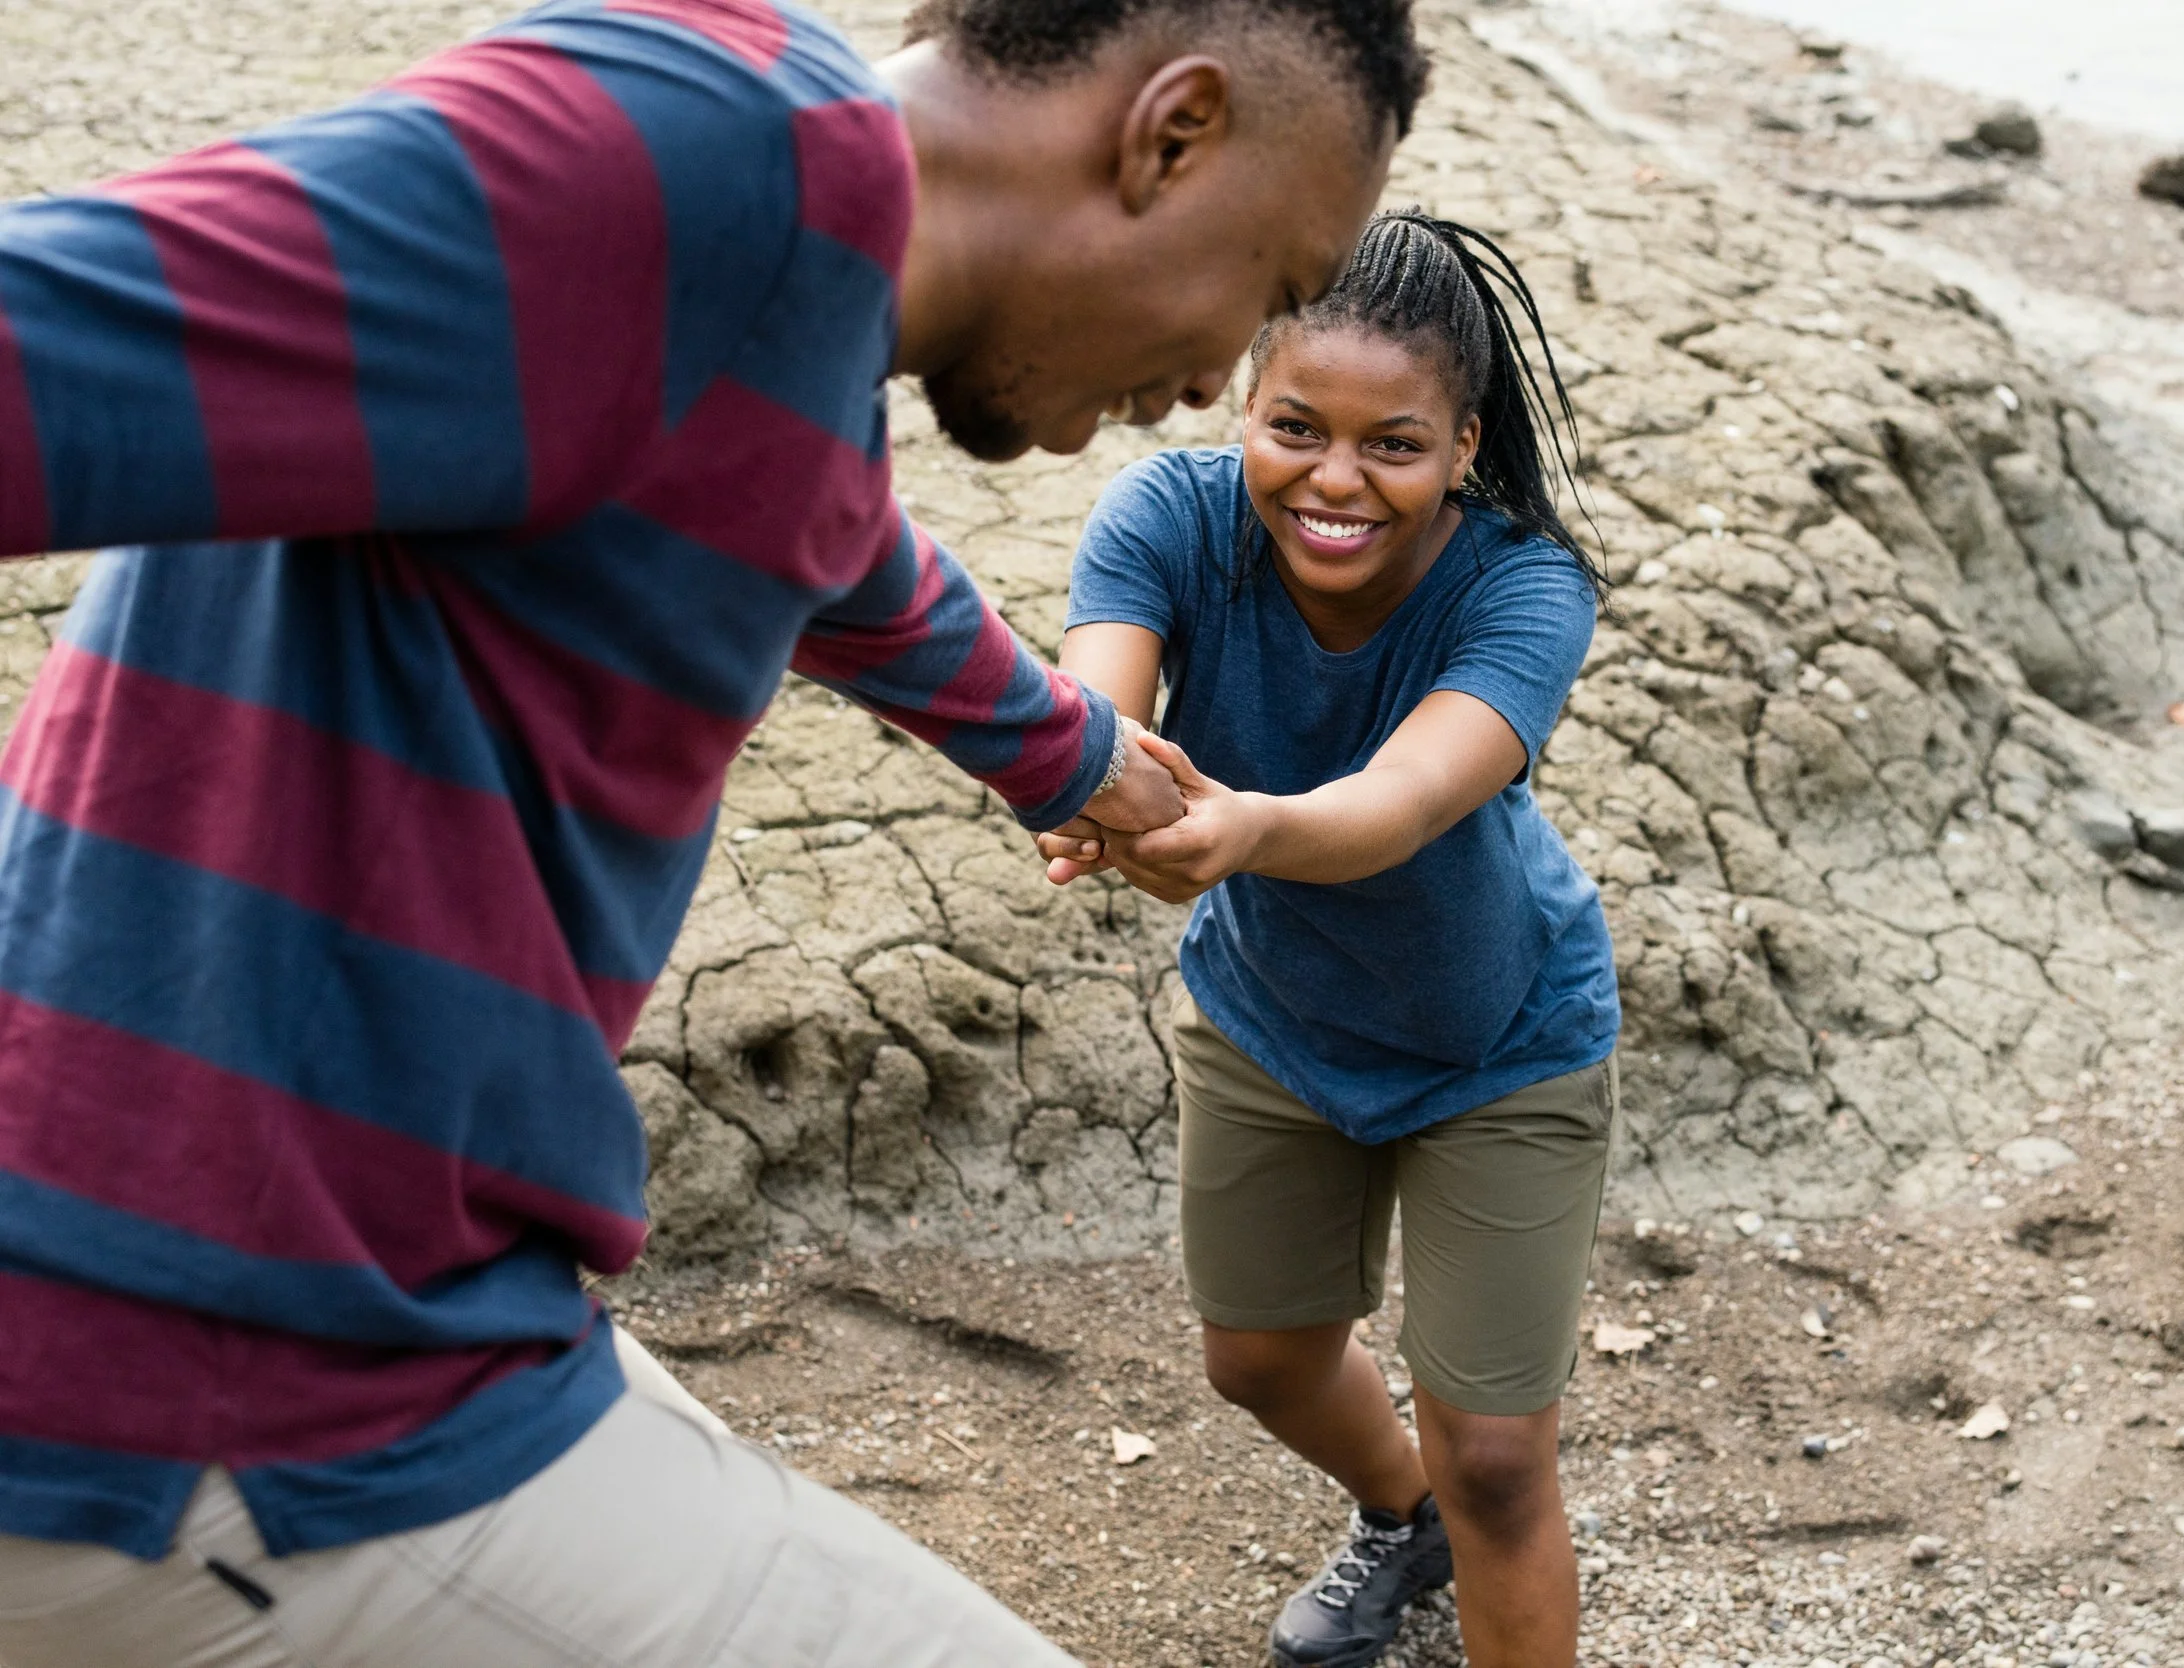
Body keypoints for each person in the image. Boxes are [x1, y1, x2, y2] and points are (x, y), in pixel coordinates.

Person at [0, 0, 1428, 1662]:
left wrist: (1072, 755)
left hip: (392, 1296)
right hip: (210, 1369)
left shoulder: (773, 270)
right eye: (1262, 289)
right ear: (1167, 133)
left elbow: (823, 531)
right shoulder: (686, 163)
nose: (1206, 380)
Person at [1040, 209, 1618, 1668]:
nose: (1334, 481)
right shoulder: (1167, 519)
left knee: (1497, 1454)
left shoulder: (1524, 586)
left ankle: (1454, 1505)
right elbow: (1095, 717)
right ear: (1247, 404)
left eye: (1394, 445)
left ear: (1464, 445)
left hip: (1505, 1040)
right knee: (1260, 1361)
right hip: (1270, 1019)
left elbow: (1398, 803)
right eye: (1296, 426)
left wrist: (1233, 832)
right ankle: (1396, 1510)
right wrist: (1089, 794)